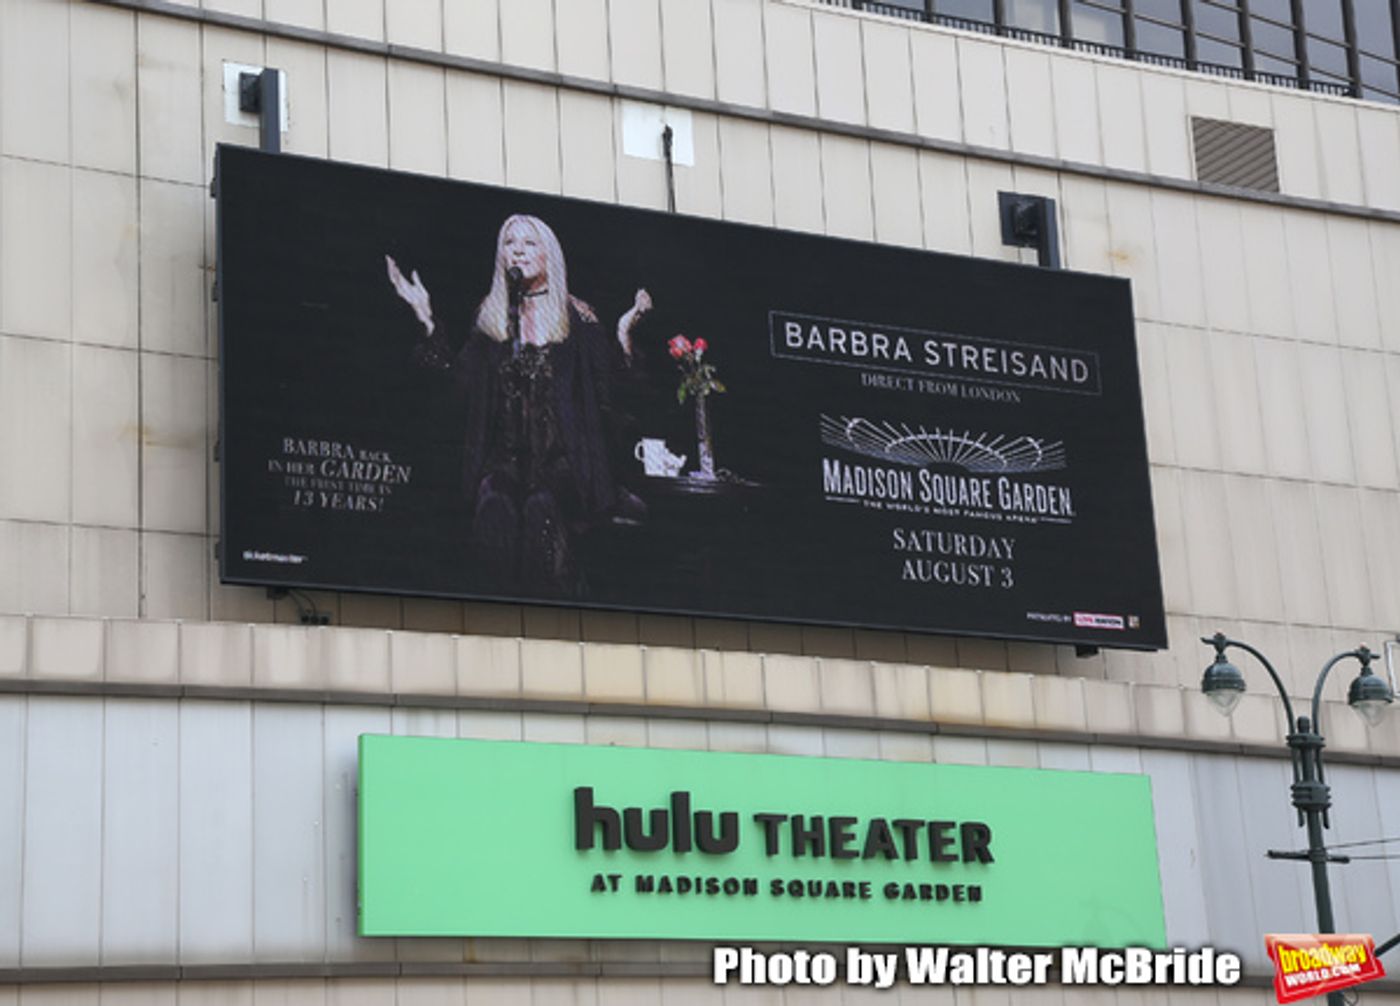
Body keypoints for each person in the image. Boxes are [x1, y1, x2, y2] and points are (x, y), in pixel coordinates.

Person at [386, 214, 652, 595]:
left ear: (549, 254)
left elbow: (611, 397)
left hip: (565, 464)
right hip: (504, 462)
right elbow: (457, 390)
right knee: (495, 503)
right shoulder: (491, 317)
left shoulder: (579, 317)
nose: (519, 252)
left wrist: (625, 333)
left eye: (529, 244)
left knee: (541, 506)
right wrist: (426, 320)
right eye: (511, 243)